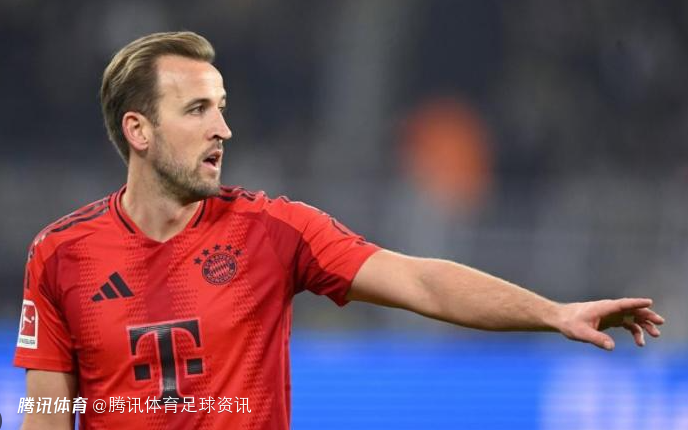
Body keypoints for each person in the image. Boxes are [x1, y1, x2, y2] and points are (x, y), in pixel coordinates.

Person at [14, 31, 664, 430]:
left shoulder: (273, 231)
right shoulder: (62, 255)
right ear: (138, 131)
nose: (223, 128)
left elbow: (420, 282)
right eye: (197, 110)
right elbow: (46, 414)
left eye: (223, 108)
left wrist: (554, 313)